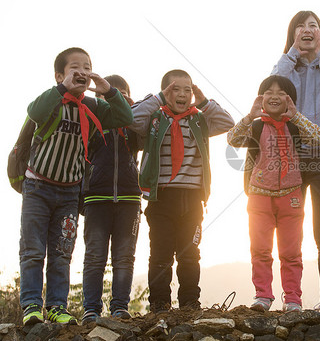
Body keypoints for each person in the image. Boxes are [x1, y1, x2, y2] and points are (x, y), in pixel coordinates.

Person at [20, 48, 133, 326]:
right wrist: (61, 89)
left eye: (88, 66)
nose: (82, 71)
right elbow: (34, 111)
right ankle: (32, 306)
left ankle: (57, 307)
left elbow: (124, 118)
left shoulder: (94, 107)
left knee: (61, 253)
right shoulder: (51, 102)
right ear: (60, 75)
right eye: (75, 67)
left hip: (69, 192)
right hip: (38, 188)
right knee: (33, 250)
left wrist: (108, 91)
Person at [128, 69, 234, 313]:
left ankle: (189, 301)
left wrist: (204, 100)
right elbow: (129, 118)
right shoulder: (154, 118)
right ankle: (159, 302)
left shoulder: (199, 120)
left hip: (192, 198)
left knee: (189, 254)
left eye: (188, 89)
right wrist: (157, 99)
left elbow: (227, 123)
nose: (183, 94)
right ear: (166, 92)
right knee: (160, 254)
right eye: (176, 89)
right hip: (161, 196)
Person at [271, 11, 320, 314]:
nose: (307, 30)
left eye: (313, 26)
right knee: (290, 229)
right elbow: (273, 85)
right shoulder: (286, 67)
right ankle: (292, 299)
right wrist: (292, 54)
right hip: (291, 157)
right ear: (293, 34)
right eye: (300, 27)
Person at [227, 75, 320, 312]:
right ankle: (263, 295)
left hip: (291, 195)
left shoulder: (296, 125)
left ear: (290, 99)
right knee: (260, 249)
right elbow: (232, 139)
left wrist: (296, 116)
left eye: (281, 92)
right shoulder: (256, 124)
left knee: (291, 251)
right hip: (259, 195)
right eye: (268, 92)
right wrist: (250, 115)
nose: (274, 96)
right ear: (261, 98)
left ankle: (292, 298)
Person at [81, 75, 142, 324]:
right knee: (95, 255)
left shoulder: (134, 125)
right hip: (96, 196)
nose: (111, 98)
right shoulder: (91, 120)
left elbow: (146, 139)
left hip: (130, 198)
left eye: (119, 94)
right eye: (105, 94)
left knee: (124, 256)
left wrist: (129, 107)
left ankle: (119, 307)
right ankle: (91, 309)